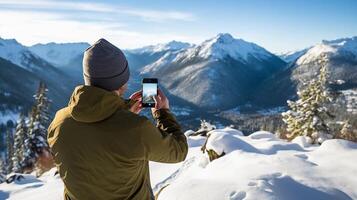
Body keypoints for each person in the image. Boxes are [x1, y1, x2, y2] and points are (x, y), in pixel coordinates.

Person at [47, 38, 188, 200]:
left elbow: (96, 145)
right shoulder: (136, 129)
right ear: (123, 83)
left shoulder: (59, 122)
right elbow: (179, 151)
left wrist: (123, 112)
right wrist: (163, 113)